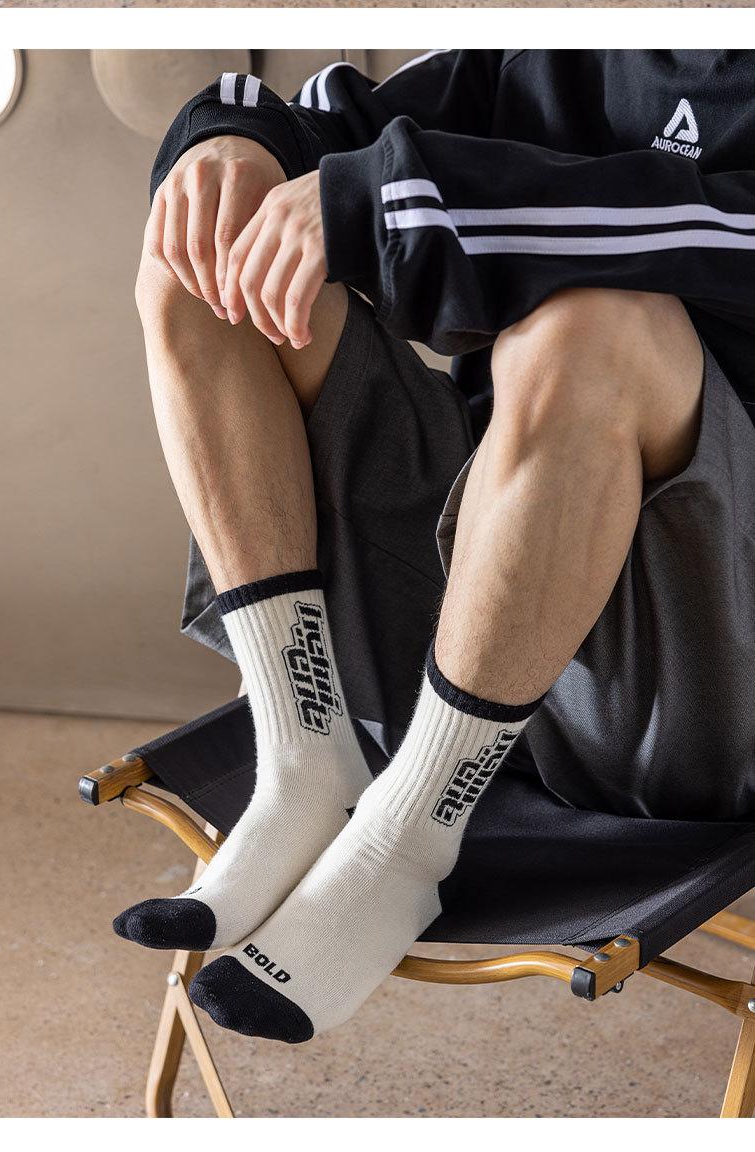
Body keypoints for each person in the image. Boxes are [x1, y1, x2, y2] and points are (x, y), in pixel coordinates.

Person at [114, 50, 755, 1044]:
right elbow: (307, 118)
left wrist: (399, 195)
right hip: (470, 609)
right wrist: (228, 141)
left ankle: (408, 840)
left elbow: (710, 229)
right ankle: (306, 762)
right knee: (203, 247)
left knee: (594, 321)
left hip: (697, 681)